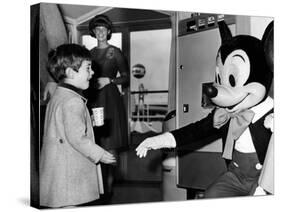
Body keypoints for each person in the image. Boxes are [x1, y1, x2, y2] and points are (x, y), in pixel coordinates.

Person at [40, 44, 116, 208]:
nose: (93, 72)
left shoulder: (59, 95)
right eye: (88, 68)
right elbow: (77, 138)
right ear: (70, 73)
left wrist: (90, 121)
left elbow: (65, 126)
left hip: (58, 170)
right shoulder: (73, 101)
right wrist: (100, 154)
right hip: (69, 173)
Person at [86, 14, 129, 198]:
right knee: (96, 141)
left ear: (109, 31)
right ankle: (97, 186)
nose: (100, 32)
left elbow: (126, 77)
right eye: (97, 29)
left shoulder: (115, 52)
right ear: (94, 32)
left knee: (110, 143)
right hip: (95, 99)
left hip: (110, 100)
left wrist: (110, 80)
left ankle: (109, 190)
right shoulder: (89, 54)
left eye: (104, 29)